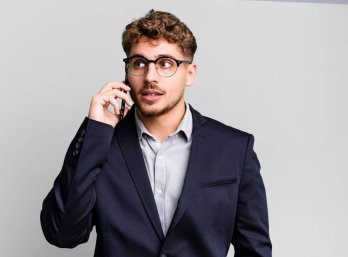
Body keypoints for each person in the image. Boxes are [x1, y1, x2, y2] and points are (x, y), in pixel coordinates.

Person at [40, 9, 272, 257]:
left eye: (165, 64)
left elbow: (255, 251)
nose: (150, 77)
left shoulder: (234, 149)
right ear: (127, 72)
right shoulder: (103, 143)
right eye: (139, 63)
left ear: (190, 73)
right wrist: (94, 130)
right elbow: (62, 233)